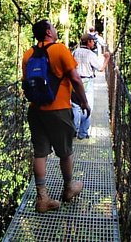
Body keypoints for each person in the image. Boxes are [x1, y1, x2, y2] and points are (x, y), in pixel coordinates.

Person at [22, 19, 91, 213]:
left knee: (40, 153)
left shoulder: (28, 54)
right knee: (65, 151)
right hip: (58, 110)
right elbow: (76, 79)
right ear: (48, 32)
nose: (55, 28)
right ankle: (68, 189)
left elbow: (25, 83)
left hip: (36, 110)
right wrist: (84, 102)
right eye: (52, 26)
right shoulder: (60, 50)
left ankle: (42, 198)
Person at [72, 33, 110, 139]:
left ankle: (74, 130)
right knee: (87, 107)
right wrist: (107, 58)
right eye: (93, 41)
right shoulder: (90, 54)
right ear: (88, 42)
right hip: (86, 82)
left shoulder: (74, 52)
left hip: (74, 82)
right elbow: (101, 68)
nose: (94, 43)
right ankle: (83, 133)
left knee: (75, 107)